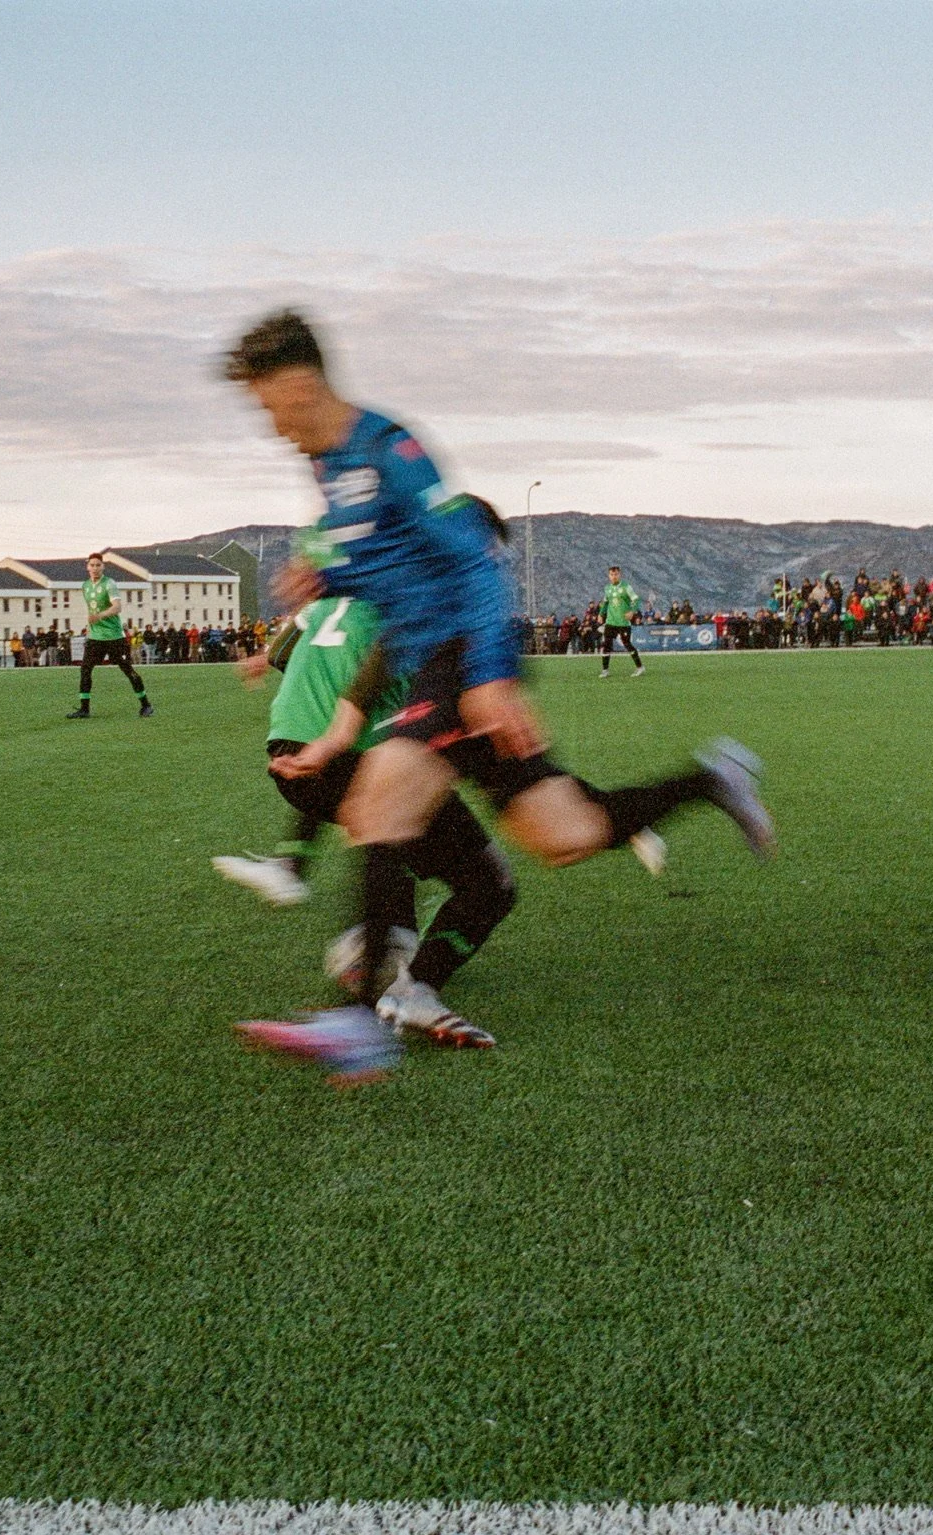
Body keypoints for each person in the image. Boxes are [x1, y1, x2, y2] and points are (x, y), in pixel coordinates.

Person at [225, 310, 772, 1082]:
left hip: (459, 655)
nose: (271, 426)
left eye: (268, 404)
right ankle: (710, 778)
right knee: (567, 833)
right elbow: (385, 563)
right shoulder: (327, 467)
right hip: (431, 661)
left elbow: (477, 567)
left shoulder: (389, 449)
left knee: (379, 807)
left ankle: (357, 1026)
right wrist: (328, 576)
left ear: (300, 382)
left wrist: (488, 675)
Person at [217, 594, 515, 1049]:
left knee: (392, 845)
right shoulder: (428, 605)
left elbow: (279, 654)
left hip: (289, 755)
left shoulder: (328, 600)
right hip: (355, 756)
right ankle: (405, 989)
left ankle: (369, 958)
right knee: (491, 882)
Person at [67, 553, 153, 719]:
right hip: (95, 637)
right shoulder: (85, 586)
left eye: (98, 565)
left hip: (114, 636)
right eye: (92, 565)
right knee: (85, 670)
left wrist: (99, 616)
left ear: (103, 567)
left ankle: (146, 705)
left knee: (127, 669)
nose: (94, 568)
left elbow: (117, 607)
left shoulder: (109, 584)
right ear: (87, 567)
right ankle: (84, 709)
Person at [599, 566, 644, 678]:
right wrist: (600, 614)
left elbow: (636, 599)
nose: (614, 577)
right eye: (611, 575)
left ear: (619, 575)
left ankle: (640, 667)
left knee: (627, 644)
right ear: (609, 576)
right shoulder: (607, 588)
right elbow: (605, 603)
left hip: (623, 622)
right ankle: (605, 670)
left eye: (616, 574)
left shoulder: (626, 587)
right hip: (611, 621)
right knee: (606, 645)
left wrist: (632, 612)